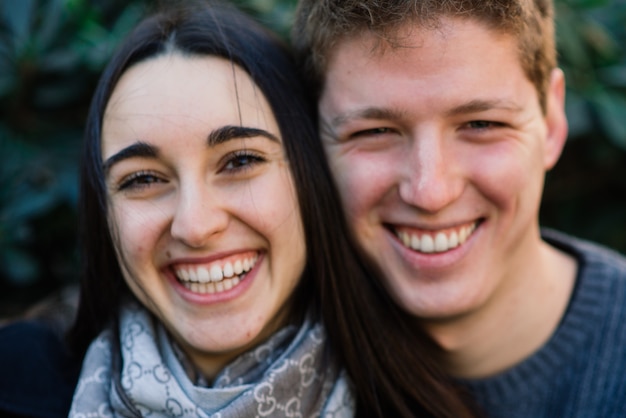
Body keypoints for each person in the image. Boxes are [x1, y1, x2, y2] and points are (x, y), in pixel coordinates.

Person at [0, 1, 478, 417]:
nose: (195, 225)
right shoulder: (18, 383)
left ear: (311, 178)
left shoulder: (423, 402)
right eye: (143, 179)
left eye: (240, 161)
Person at [292, 0, 626, 417]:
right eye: (375, 131)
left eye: (481, 124)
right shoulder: (269, 369)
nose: (431, 192)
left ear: (553, 120)